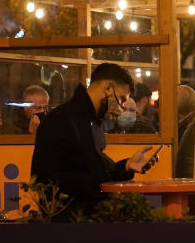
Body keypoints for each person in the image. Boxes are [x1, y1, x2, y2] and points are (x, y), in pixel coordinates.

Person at [31, 63, 155, 217]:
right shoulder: (61, 119)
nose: (122, 108)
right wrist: (96, 182)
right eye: (121, 99)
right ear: (108, 88)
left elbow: (97, 172)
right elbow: (43, 179)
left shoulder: (92, 121)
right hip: (70, 226)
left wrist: (127, 166)